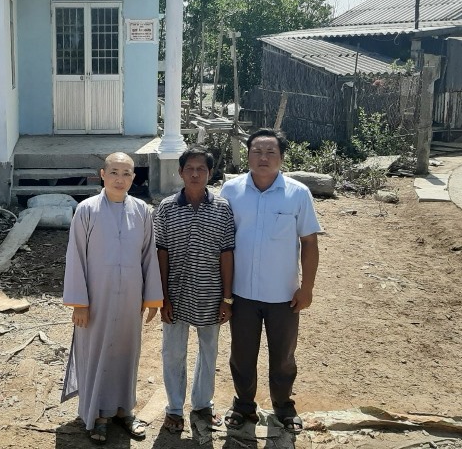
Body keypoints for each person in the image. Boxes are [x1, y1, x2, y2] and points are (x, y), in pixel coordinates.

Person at [219, 128, 321, 435]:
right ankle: (243, 405)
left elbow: (309, 242)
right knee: (241, 355)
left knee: (283, 357)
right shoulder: (231, 191)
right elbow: (222, 243)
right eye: (257, 152)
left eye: (270, 152)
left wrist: (307, 288)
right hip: (242, 293)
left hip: (283, 295)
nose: (263, 158)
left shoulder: (298, 193)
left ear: (281, 157)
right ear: (247, 155)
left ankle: (284, 407)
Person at [62, 152, 163, 444]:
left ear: (134, 178)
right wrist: (80, 303)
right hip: (96, 298)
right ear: (103, 175)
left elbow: (149, 255)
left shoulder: (142, 211)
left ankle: (123, 409)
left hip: (131, 296)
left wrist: (151, 298)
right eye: (114, 172)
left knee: (127, 352)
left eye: (126, 173)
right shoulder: (87, 210)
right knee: (96, 352)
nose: (120, 179)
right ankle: (97, 414)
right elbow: (75, 256)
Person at [154, 145, 235, 438]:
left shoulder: (222, 208)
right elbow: (160, 253)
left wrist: (227, 298)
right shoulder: (166, 208)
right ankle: (175, 408)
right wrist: (162, 297)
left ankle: (202, 405)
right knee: (173, 353)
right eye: (189, 168)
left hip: (210, 294)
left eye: (201, 169)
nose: (195, 174)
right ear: (180, 172)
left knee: (209, 351)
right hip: (175, 294)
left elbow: (227, 254)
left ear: (210, 173)